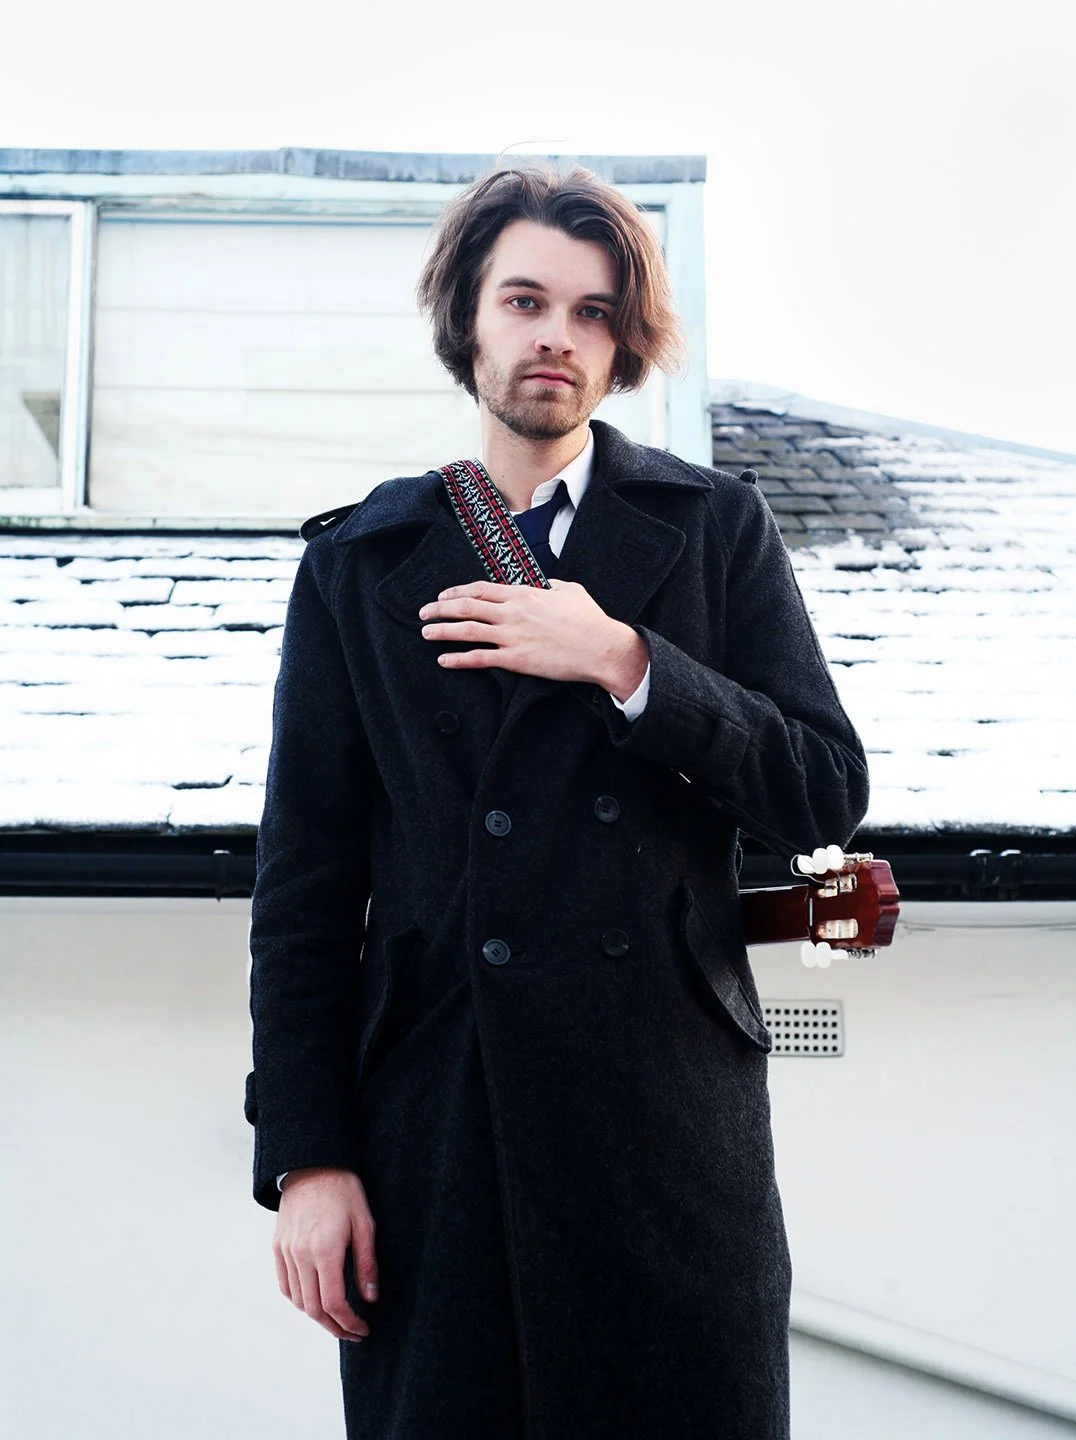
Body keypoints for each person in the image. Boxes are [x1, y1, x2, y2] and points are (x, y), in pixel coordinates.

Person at [245, 163, 870, 1440]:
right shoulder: (360, 564)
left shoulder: (711, 528)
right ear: (468, 320)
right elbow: (307, 890)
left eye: (592, 314)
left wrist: (627, 662)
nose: (557, 337)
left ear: (622, 345)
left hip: (666, 1141)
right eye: (525, 300)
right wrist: (310, 1160)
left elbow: (823, 786)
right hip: (437, 1132)